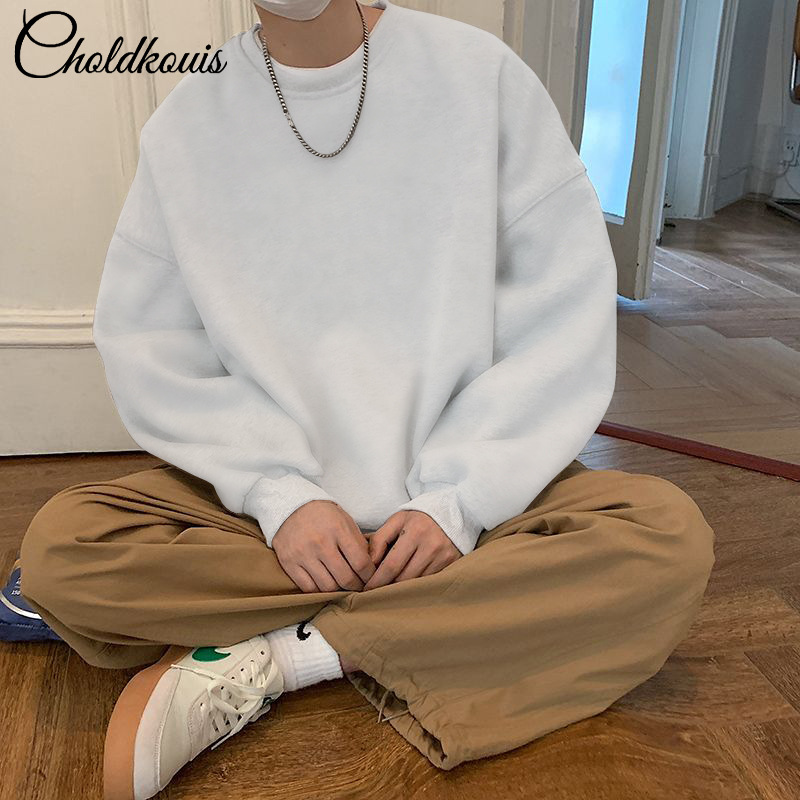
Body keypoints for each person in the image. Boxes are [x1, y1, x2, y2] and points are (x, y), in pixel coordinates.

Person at [17, 1, 716, 798]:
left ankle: (282, 655)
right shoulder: (187, 122)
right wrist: (279, 496)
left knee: (665, 539)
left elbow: (561, 318)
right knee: (65, 548)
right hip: (267, 526)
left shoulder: (479, 77)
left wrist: (458, 501)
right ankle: (440, 623)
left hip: (471, 509)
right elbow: (154, 347)